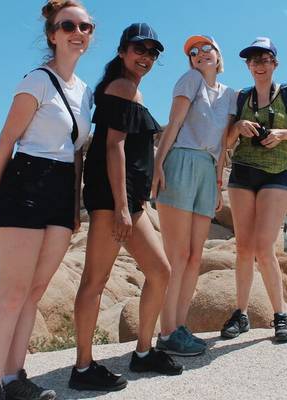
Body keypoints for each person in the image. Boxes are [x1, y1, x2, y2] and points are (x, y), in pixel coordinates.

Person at [0, 1, 94, 399]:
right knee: (12, 290)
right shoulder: (37, 81)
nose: (79, 32)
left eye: (86, 26)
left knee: (35, 290)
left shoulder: (85, 92)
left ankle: (15, 378)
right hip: (25, 182)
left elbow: (77, 152)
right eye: (69, 26)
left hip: (62, 190)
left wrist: (75, 203)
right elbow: (7, 139)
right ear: (53, 35)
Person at [69, 23, 182, 393]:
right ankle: (83, 367)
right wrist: (119, 206)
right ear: (122, 52)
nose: (146, 57)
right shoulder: (121, 87)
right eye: (139, 50)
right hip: (112, 201)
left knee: (160, 271)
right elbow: (113, 147)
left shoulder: (131, 89)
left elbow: (129, 146)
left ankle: (144, 352)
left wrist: (146, 184)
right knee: (95, 282)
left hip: (130, 201)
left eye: (152, 53)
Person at [221, 37, 287, 343]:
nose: (258, 66)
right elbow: (224, 143)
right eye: (252, 61)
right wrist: (238, 128)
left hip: (278, 173)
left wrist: (281, 134)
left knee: (263, 247)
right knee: (242, 248)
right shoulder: (241, 98)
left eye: (264, 60)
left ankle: (280, 315)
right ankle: (241, 313)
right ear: (247, 66)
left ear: (274, 63)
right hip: (242, 173)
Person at [152, 35, 236, 356]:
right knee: (177, 256)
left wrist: (218, 181)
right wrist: (158, 165)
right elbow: (173, 124)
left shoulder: (229, 95)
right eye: (193, 52)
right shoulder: (190, 80)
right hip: (181, 160)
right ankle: (166, 331)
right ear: (190, 61)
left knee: (195, 256)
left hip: (207, 170)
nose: (200, 54)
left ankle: (180, 327)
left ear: (218, 54)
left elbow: (222, 144)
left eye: (207, 48)